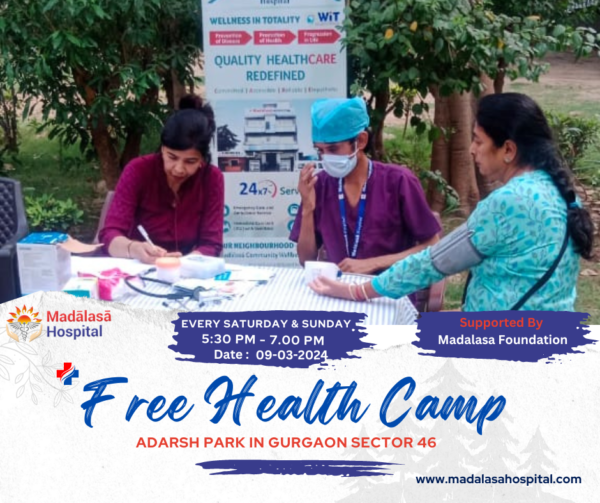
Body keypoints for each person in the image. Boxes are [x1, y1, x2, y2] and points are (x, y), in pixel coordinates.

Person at [308, 93, 595, 311]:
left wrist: (356, 291)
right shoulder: (561, 194)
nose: (471, 150)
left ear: (508, 149)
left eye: (478, 141)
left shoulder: (509, 203)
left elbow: (434, 262)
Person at [289, 97, 441, 276]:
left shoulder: (399, 181)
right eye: (320, 150)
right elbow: (305, 259)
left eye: (333, 149)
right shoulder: (320, 184)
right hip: (339, 288)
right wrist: (308, 208)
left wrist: (374, 263)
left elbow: (432, 246)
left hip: (390, 287)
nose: (326, 158)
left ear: (360, 141)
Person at [99, 95, 224, 264]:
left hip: (188, 270)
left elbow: (212, 244)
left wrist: (186, 262)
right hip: (138, 266)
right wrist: (134, 249)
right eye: (172, 157)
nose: (179, 169)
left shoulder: (211, 178)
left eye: (190, 161)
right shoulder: (138, 170)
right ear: (163, 149)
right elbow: (109, 235)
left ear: (202, 159)